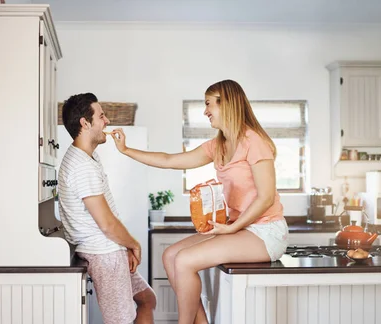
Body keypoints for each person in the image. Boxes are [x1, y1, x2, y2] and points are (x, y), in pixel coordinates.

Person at [109, 80, 289, 324]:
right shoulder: (219, 145)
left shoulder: (253, 141)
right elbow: (169, 159)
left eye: (208, 104)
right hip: (240, 229)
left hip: (266, 232)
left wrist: (233, 227)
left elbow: (266, 197)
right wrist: (126, 150)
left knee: (184, 260)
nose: (205, 111)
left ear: (227, 104)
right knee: (171, 255)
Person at [58, 93, 157, 324]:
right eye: (101, 116)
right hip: (104, 254)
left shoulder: (87, 158)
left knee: (146, 299)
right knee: (121, 321)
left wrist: (126, 246)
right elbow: (107, 223)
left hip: (110, 249)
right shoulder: (82, 167)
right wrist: (134, 244)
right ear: (85, 123)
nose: (107, 121)